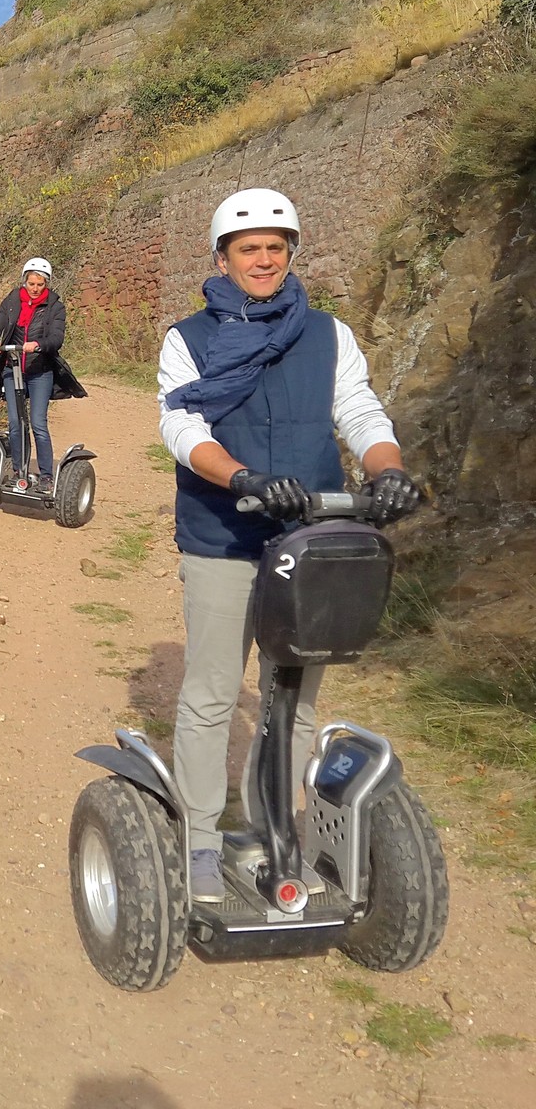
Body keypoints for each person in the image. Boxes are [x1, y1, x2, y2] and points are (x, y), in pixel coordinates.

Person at [157, 187, 421, 903]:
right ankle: (203, 840)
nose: (265, 259)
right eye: (250, 248)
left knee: (295, 700)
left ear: (291, 253)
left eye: (277, 247)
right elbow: (182, 432)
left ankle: (278, 833)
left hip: (310, 538)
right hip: (223, 534)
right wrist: (241, 475)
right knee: (214, 694)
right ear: (223, 257)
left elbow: (359, 409)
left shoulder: (328, 334)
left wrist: (388, 473)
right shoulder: (190, 340)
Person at [0, 256, 86, 492]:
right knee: (16, 423)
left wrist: (38, 344)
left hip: (40, 372)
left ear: (46, 283)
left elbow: (57, 337)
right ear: (25, 281)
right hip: (12, 368)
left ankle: (46, 475)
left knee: (38, 423)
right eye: (31, 284)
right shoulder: (12, 300)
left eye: (40, 284)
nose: (36, 289)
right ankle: (19, 471)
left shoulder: (54, 305)